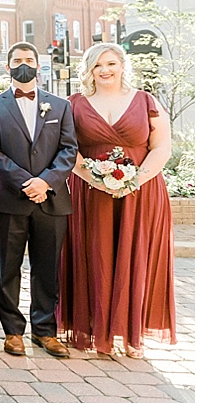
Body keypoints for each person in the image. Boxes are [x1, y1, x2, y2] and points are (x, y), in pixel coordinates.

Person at [58, 43, 175, 358]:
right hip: (90, 194)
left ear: (123, 66)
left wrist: (132, 181)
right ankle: (96, 330)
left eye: (111, 63)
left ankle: (131, 334)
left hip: (140, 193)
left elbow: (162, 147)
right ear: (89, 70)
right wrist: (98, 180)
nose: (105, 70)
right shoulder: (74, 104)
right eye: (98, 65)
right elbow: (67, 150)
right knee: (95, 256)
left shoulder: (146, 101)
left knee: (134, 257)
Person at [0, 42, 77, 358]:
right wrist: (26, 183)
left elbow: (69, 149)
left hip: (52, 200)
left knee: (47, 268)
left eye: (29, 60)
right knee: (8, 267)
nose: (24, 65)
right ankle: (12, 331)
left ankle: (45, 331)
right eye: (17, 60)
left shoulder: (60, 106)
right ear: (7, 67)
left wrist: (46, 182)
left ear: (39, 65)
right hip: (11, 198)